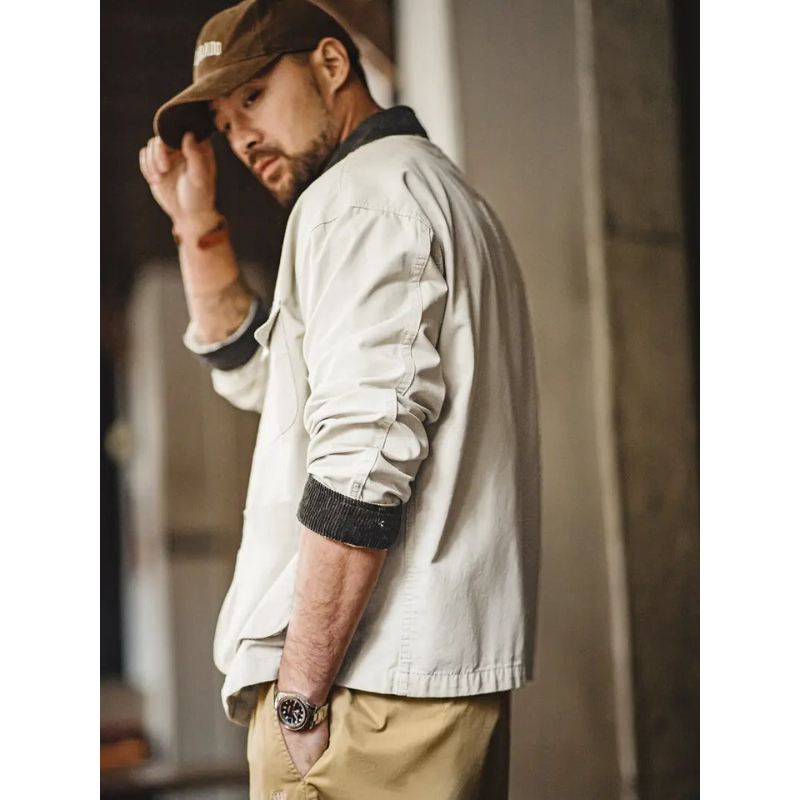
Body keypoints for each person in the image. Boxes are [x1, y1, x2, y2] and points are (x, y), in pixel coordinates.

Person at [139, 1, 541, 797]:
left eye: (253, 97)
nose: (242, 137)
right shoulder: (423, 192)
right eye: (226, 123)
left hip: (364, 688)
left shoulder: (359, 202)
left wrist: (298, 697)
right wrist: (196, 226)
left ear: (330, 65)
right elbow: (272, 384)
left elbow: (363, 455)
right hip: (414, 684)